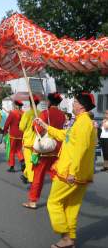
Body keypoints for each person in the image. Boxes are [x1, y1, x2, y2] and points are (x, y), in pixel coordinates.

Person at [35, 92, 96, 248]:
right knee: (71, 207)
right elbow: (65, 135)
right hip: (78, 174)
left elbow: (80, 151)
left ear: (81, 106)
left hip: (70, 173)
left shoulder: (84, 124)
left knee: (53, 203)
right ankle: (70, 240)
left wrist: (72, 173)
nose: (72, 104)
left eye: (75, 102)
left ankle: (65, 237)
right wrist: (45, 126)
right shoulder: (82, 122)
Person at [23, 92, 65, 209]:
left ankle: (33, 201)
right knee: (55, 176)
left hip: (45, 150)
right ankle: (58, 200)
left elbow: (37, 129)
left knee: (38, 176)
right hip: (57, 149)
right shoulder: (62, 115)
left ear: (49, 102)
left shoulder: (45, 113)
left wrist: (34, 124)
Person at [19, 95, 40, 184]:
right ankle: (25, 174)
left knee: (29, 161)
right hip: (37, 141)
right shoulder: (40, 113)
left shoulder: (27, 113)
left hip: (28, 141)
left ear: (30, 103)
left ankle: (31, 180)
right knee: (33, 160)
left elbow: (21, 127)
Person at [3, 100, 24, 172]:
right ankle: (22, 160)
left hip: (13, 135)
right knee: (18, 149)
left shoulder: (12, 113)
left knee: (12, 151)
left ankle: (12, 166)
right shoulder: (24, 113)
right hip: (21, 134)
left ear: (15, 105)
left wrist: (5, 131)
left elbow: (7, 123)